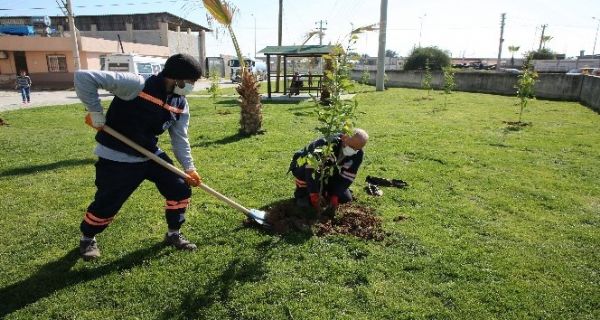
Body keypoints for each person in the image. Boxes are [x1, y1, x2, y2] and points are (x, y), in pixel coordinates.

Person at [74, 53, 203, 260]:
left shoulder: (180, 103)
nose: (191, 86)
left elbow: (180, 138)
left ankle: (173, 234)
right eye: (190, 81)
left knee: (179, 186)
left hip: (149, 154)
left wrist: (189, 168)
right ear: (177, 77)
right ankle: (87, 238)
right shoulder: (137, 85)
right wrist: (96, 112)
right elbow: (84, 77)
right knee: (108, 202)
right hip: (117, 155)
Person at [289, 128, 368, 209]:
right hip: (307, 169)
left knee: (345, 199)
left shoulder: (358, 154)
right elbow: (310, 170)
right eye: (352, 147)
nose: (353, 150)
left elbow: (348, 176)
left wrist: (335, 195)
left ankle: (325, 191)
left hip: (329, 174)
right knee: (305, 203)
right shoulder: (325, 145)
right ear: (344, 137)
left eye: (357, 149)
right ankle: (303, 193)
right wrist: (313, 193)